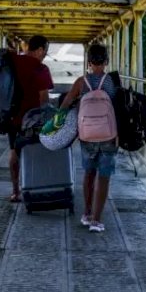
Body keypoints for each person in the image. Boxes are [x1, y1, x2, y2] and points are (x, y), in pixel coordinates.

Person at [60, 44, 117, 233]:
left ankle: (86, 212)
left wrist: (58, 123)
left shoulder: (81, 82)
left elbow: (66, 103)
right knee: (104, 177)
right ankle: (97, 220)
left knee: (89, 173)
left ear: (89, 62)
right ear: (106, 61)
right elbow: (118, 108)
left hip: (87, 136)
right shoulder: (110, 82)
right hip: (108, 135)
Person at [7, 35, 53, 202]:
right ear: (39, 50)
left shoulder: (13, 62)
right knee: (37, 152)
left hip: (12, 116)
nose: (45, 55)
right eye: (45, 51)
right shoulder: (41, 68)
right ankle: (36, 187)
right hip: (33, 120)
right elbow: (44, 99)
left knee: (14, 152)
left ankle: (15, 191)